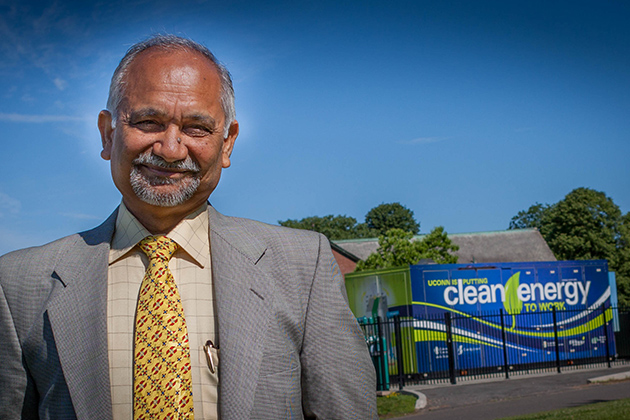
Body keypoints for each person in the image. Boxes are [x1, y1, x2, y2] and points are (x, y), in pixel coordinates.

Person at [0, 35, 377, 419]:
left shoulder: (302, 269)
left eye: (197, 128)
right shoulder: (19, 285)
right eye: (149, 122)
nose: (171, 148)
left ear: (227, 143)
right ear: (108, 133)